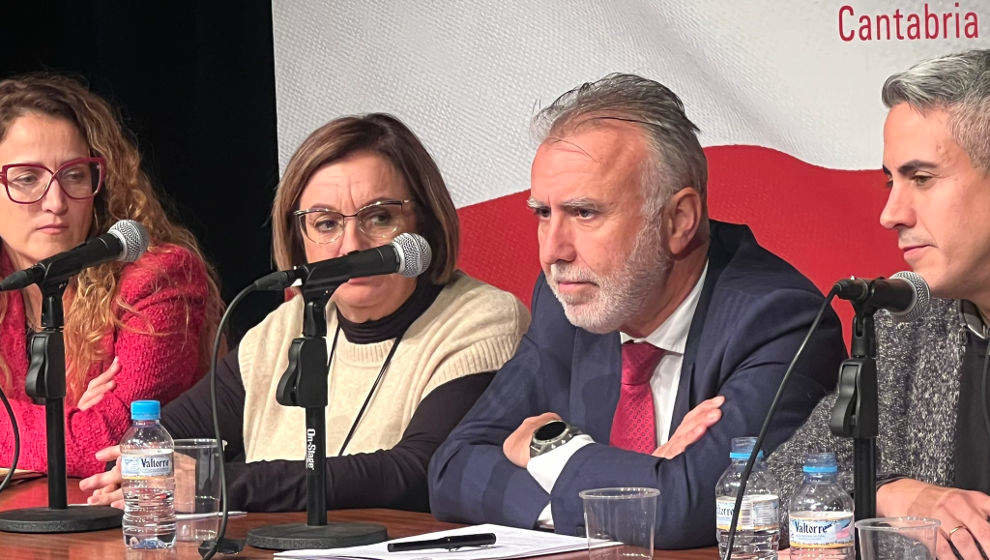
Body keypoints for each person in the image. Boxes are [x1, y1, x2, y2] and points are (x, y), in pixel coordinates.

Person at [428, 73, 846, 547]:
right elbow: (451, 468)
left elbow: (687, 510)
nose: (553, 251)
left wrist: (553, 449)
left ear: (679, 220)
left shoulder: (780, 320)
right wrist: (631, 485)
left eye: (584, 213)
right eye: (543, 213)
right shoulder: (570, 303)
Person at [81, 113, 530, 512]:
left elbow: (417, 471)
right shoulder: (285, 327)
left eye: (378, 218)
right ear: (300, 241)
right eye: (327, 223)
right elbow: (166, 433)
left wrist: (215, 483)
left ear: (425, 225)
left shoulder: (482, 319)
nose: (352, 245)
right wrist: (140, 459)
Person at [767, 49, 990, 560]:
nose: (891, 213)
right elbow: (763, 487)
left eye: (922, 178)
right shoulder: (910, 320)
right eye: (891, 181)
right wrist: (891, 492)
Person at [0, 73, 224, 477]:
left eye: (74, 175)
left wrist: (68, 429)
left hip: (137, 524)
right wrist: (70, 419)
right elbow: (76, 439)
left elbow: (113, 442)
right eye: (27, 178)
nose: (55, 202)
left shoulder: (158, 278)